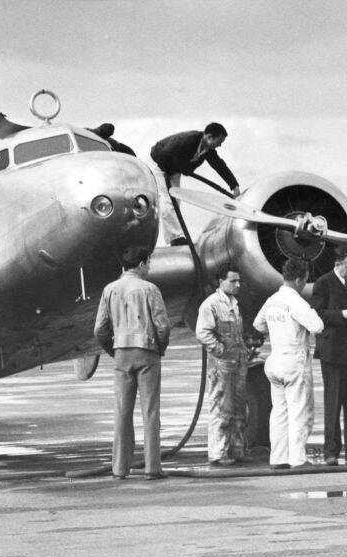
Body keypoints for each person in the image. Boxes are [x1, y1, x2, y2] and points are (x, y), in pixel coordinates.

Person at [94, 245, 172, 480]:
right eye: (147, 263)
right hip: (147, 352)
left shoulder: (110, 289)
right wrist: (160, 348)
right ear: (140, 264)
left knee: (122, 412)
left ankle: (119, 468)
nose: (149, 267)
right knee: (150, 411)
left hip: (121, 353)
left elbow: (99, 329)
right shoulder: (150, 289)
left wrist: (114, 349)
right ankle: (152, 468)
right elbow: (163, 325)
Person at [252, 259, 324, 469]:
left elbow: (258, 324)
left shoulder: (272, 300)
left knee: (279, 412)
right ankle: (298, 459)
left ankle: (278, 457)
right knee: (299, 411)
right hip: (294, 361)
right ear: (300, 279)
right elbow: (317, 326)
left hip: (275, 360)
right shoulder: (296, 301)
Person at [310, 244, 347, 465]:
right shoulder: (323, 283)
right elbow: (316, 313)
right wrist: (341, 314)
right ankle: (331, 452)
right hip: (332, 352)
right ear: (338, 264)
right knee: (333, 402)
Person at [149, 123, 241, 246]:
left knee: (175, 202)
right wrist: (181, 168)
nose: (219, 145)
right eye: (219, 141)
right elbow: (165, 153)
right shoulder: (188, 140)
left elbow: (219, 166)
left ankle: (173, 237)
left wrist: (234, 185)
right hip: (160, 165)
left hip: (175, 170)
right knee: (167, 200)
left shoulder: (208, 150)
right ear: (209, 137)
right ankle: (176, 238)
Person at [195, 265, 249, 466]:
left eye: (238, 281)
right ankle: (217, 453)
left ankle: (237, 450)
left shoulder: (233, 304)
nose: (237, 285)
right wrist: (219, 350)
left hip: (238, 362)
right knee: (221, 408)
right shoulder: (211, 304)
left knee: (238, 409)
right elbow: (203, 333)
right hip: (222, 364)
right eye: (233, 281)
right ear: (221, 282)